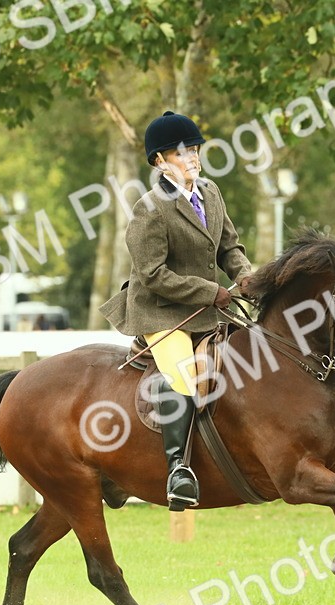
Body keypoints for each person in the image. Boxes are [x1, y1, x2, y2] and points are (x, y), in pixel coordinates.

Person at [100, 111, 253, 511]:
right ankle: (178, 471)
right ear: (160, 161)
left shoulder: (211, 193)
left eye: (195, 149)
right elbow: (152, 275)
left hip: (211, 309)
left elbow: (229, 247)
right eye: (182, 152)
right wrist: (210, 291)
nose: (193, 157)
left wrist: (246, 276)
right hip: (162, 312)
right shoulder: (150, 209)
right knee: (184, 375)